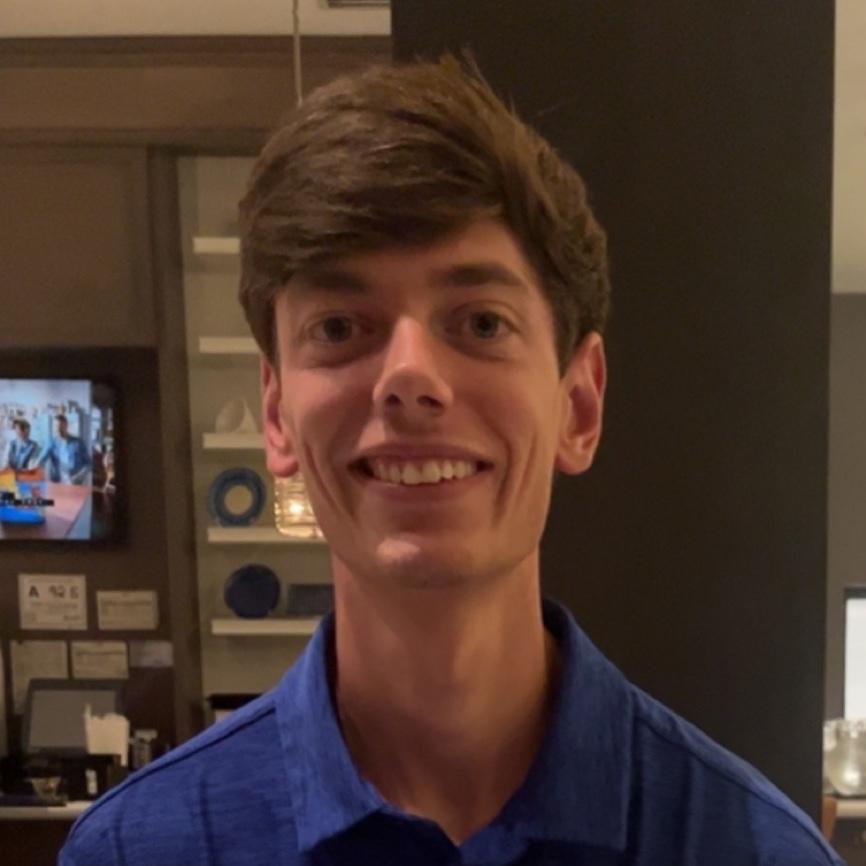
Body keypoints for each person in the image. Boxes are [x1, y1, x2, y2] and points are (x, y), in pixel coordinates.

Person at [60, 57, 843, 866]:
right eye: (340, 327)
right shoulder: (135, 852)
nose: (409, 377)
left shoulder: (756, 852)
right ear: (277, 414)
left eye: (481, 323)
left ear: (578, 404)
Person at [39, 413, 90, 485]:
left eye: (61, 426)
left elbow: (88, 463)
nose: (58, 429)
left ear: (66, 425)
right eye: (56, 426)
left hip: (75, 482)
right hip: (57, 482)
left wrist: (79, 477)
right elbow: (41, 460)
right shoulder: (51, 443)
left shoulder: (78, 442)